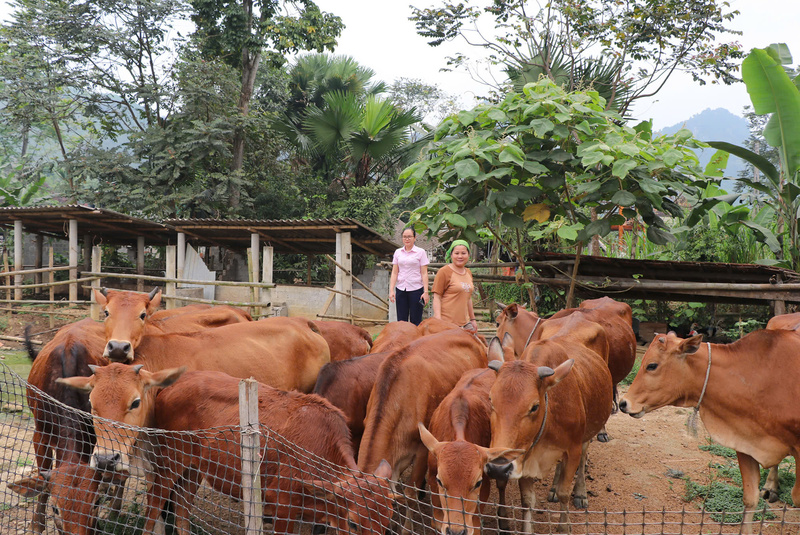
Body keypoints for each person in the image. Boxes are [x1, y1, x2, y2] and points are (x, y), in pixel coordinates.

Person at [432, 239, 477, 332]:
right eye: (456, 253)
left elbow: (468, 298)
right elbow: (437, 296)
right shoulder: (444, 272)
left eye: (463, 253)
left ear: (468, 255)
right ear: (451, 255)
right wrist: (438, 320)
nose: (460, 256)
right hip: (447, 323)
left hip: (465, 323)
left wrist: (473, 319)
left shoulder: (468, 272)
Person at [389, 227, 430, 325]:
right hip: (401, 289)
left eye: (409, 237)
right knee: (401, 321)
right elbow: (394, 272)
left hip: (416, 289)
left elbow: (424, 273)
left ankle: (416, 340)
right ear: (402, 238)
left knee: (416, 320)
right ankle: (403, 340)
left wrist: (426, 292)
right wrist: (391, 290)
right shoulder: (398, 252)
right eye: (404, 237)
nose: (407, 239)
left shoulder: (421, 252)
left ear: (415, 238)